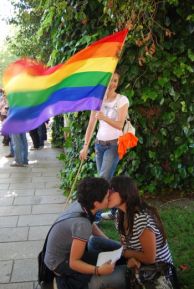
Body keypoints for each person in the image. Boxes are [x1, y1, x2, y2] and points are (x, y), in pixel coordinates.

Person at [88, 176, 175, 289]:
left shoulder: (141, 218)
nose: (107, 195)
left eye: (111, 191)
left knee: (96, 280)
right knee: (94, 242)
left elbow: (150, 258)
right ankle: (102, 268)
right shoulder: (120, 214)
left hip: (155, 270)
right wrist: (128, 257)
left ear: (124, 191)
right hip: (135, 257)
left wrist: (126, 254)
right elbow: (125, 244)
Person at [44, 177, 117, 289]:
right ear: (96, 203)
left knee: (94, 258)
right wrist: (98, 270)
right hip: (58, 263)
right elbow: (74, 263)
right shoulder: (82, 225)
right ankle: (61, 282)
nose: (110, 198)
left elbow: (91, 223)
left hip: (54, 255)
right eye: (107, 197)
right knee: (89, 275)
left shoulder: (81, 204)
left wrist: (107, 240)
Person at [79, 72, 129, 221]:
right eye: (110, 80)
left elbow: (120, 124)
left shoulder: (122, 100)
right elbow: (91, 125)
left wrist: (104, 117)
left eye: (115, 80)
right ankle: (116, 211)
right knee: (108, 181)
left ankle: (96, 215)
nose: (112, 83)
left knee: (101, 181)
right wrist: (85, 146)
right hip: (99, 145)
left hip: (114, 145)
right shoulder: (98, 101)